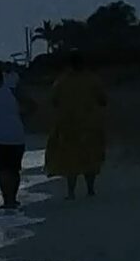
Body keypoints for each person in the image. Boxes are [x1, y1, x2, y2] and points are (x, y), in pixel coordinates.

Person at [44, 54, 109, 198]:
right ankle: (90, 190)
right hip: (90, 124)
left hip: (68, 125)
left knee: (70, 160)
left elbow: (54, 101)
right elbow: (103, 99)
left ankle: (71, 192)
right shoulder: (92, 79)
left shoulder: (61, 81)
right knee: (91, 157)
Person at [0, 68, 31, 211]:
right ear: (2, 78)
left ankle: (7, 200)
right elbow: (32, 106)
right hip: (17, 137)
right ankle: (13, 199)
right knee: (14, 170)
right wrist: (21, 118)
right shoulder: (13, 92)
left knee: (3, 171)